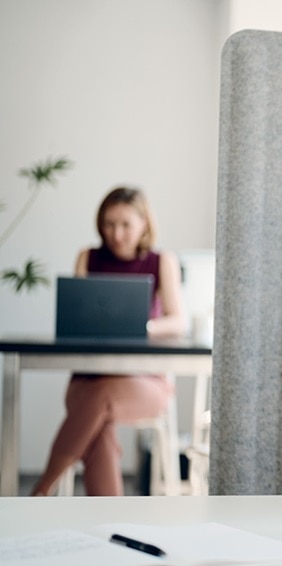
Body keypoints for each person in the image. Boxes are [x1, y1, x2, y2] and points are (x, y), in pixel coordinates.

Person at [31, 186, 185, 497]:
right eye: (109, 224)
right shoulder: (87, 257)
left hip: (145, 383)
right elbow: (74, 321)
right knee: (97, 418)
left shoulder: (161, 261)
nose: (116, 233)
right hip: (86, 382)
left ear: (144, 223)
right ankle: (110, 524)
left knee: (99, 400)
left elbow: (178, 321)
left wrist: (143, 327)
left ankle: (41, 491)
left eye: (125, 224)